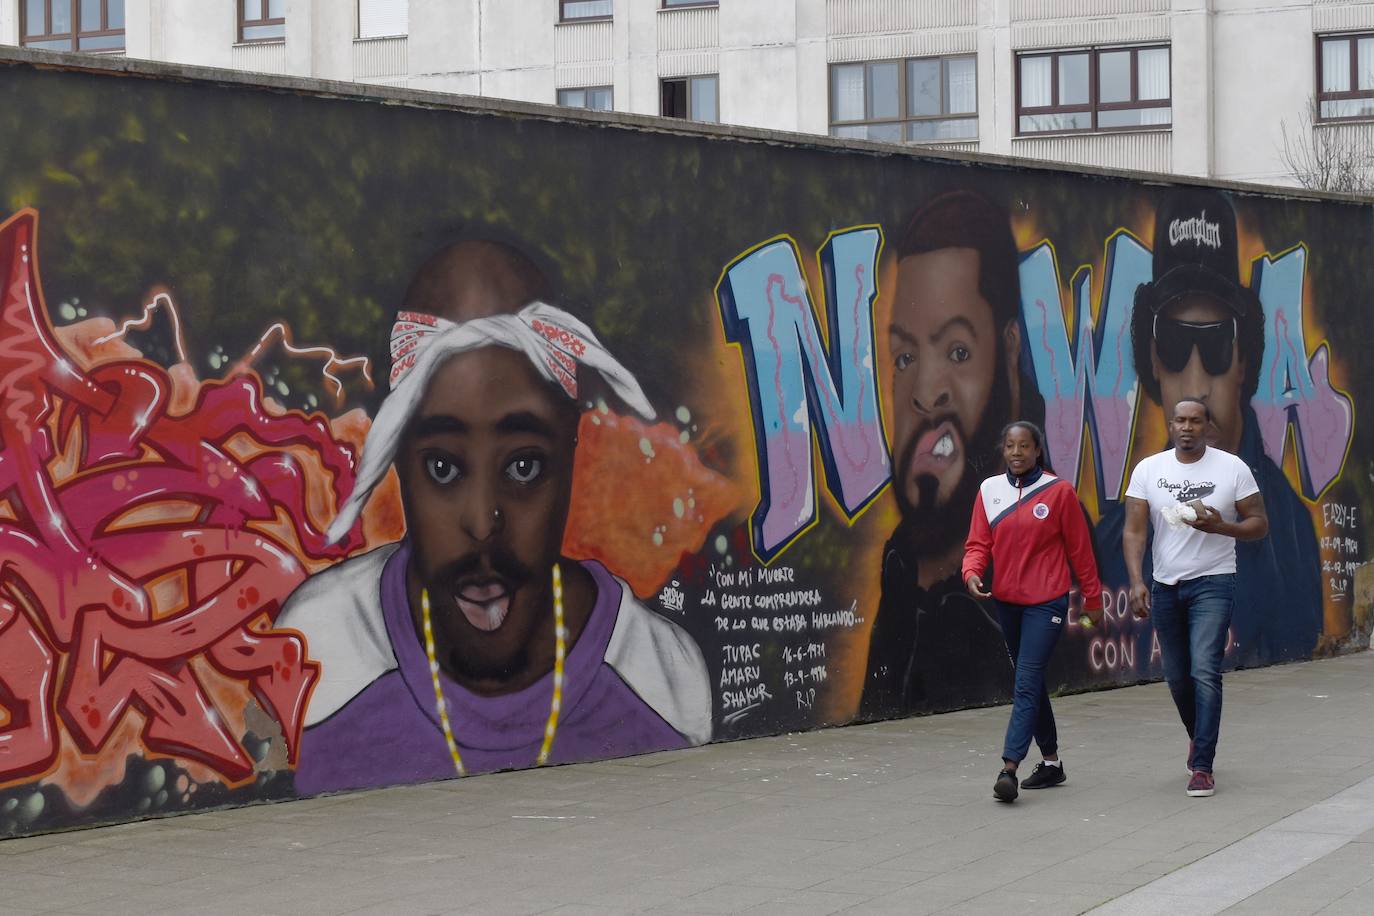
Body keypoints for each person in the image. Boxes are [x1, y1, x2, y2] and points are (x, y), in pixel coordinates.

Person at [278, 241, 712, 795]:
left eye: (525, 466)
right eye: (442, 467)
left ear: (570, 451)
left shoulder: (663, 682)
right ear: (399, 465)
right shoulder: (317, 649)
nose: (483, 523)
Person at [1095, 186, 1321, 670]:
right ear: (1153, 360)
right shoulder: (1111, 543)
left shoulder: (1290, 532)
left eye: (1217, 345)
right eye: (1176, 345)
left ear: (1244, 358)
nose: (1195, 384)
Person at [861, 190, 1039, 717]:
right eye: (905, 356)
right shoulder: (899, 568)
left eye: (958, 352)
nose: (925, 391)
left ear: (1008, 353)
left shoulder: (1021, 550)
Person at [1123, 397, 1269, 797]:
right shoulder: (1149, 470)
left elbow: (1259, 525)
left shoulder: (1232, 469)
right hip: (1166, 585)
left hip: (1214, 582)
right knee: (1176, 677)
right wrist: (1137, 580)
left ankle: (1202, 765)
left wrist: (1222, 527)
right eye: (1180, 421)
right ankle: (1197, 736)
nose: (1187, 427)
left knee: (1205, 669)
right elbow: (1135, 530)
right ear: (1171, 425)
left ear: (1208, 427)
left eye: (1195, 421)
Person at [962, 421, 1103, 802]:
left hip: (1047, 602)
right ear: (1003, 450)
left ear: (1038, 450)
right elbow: (978, 543)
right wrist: (972, 572)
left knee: (1025, 680)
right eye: (1010, 446)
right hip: (1007, 603)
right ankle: (1053, 763)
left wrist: (1093, 600)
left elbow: (1080, 552)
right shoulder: (989, 491)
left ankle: (1009, 767)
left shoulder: (1058, 492)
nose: (1017, 452)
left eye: (1025, 445)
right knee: (1032, 679)